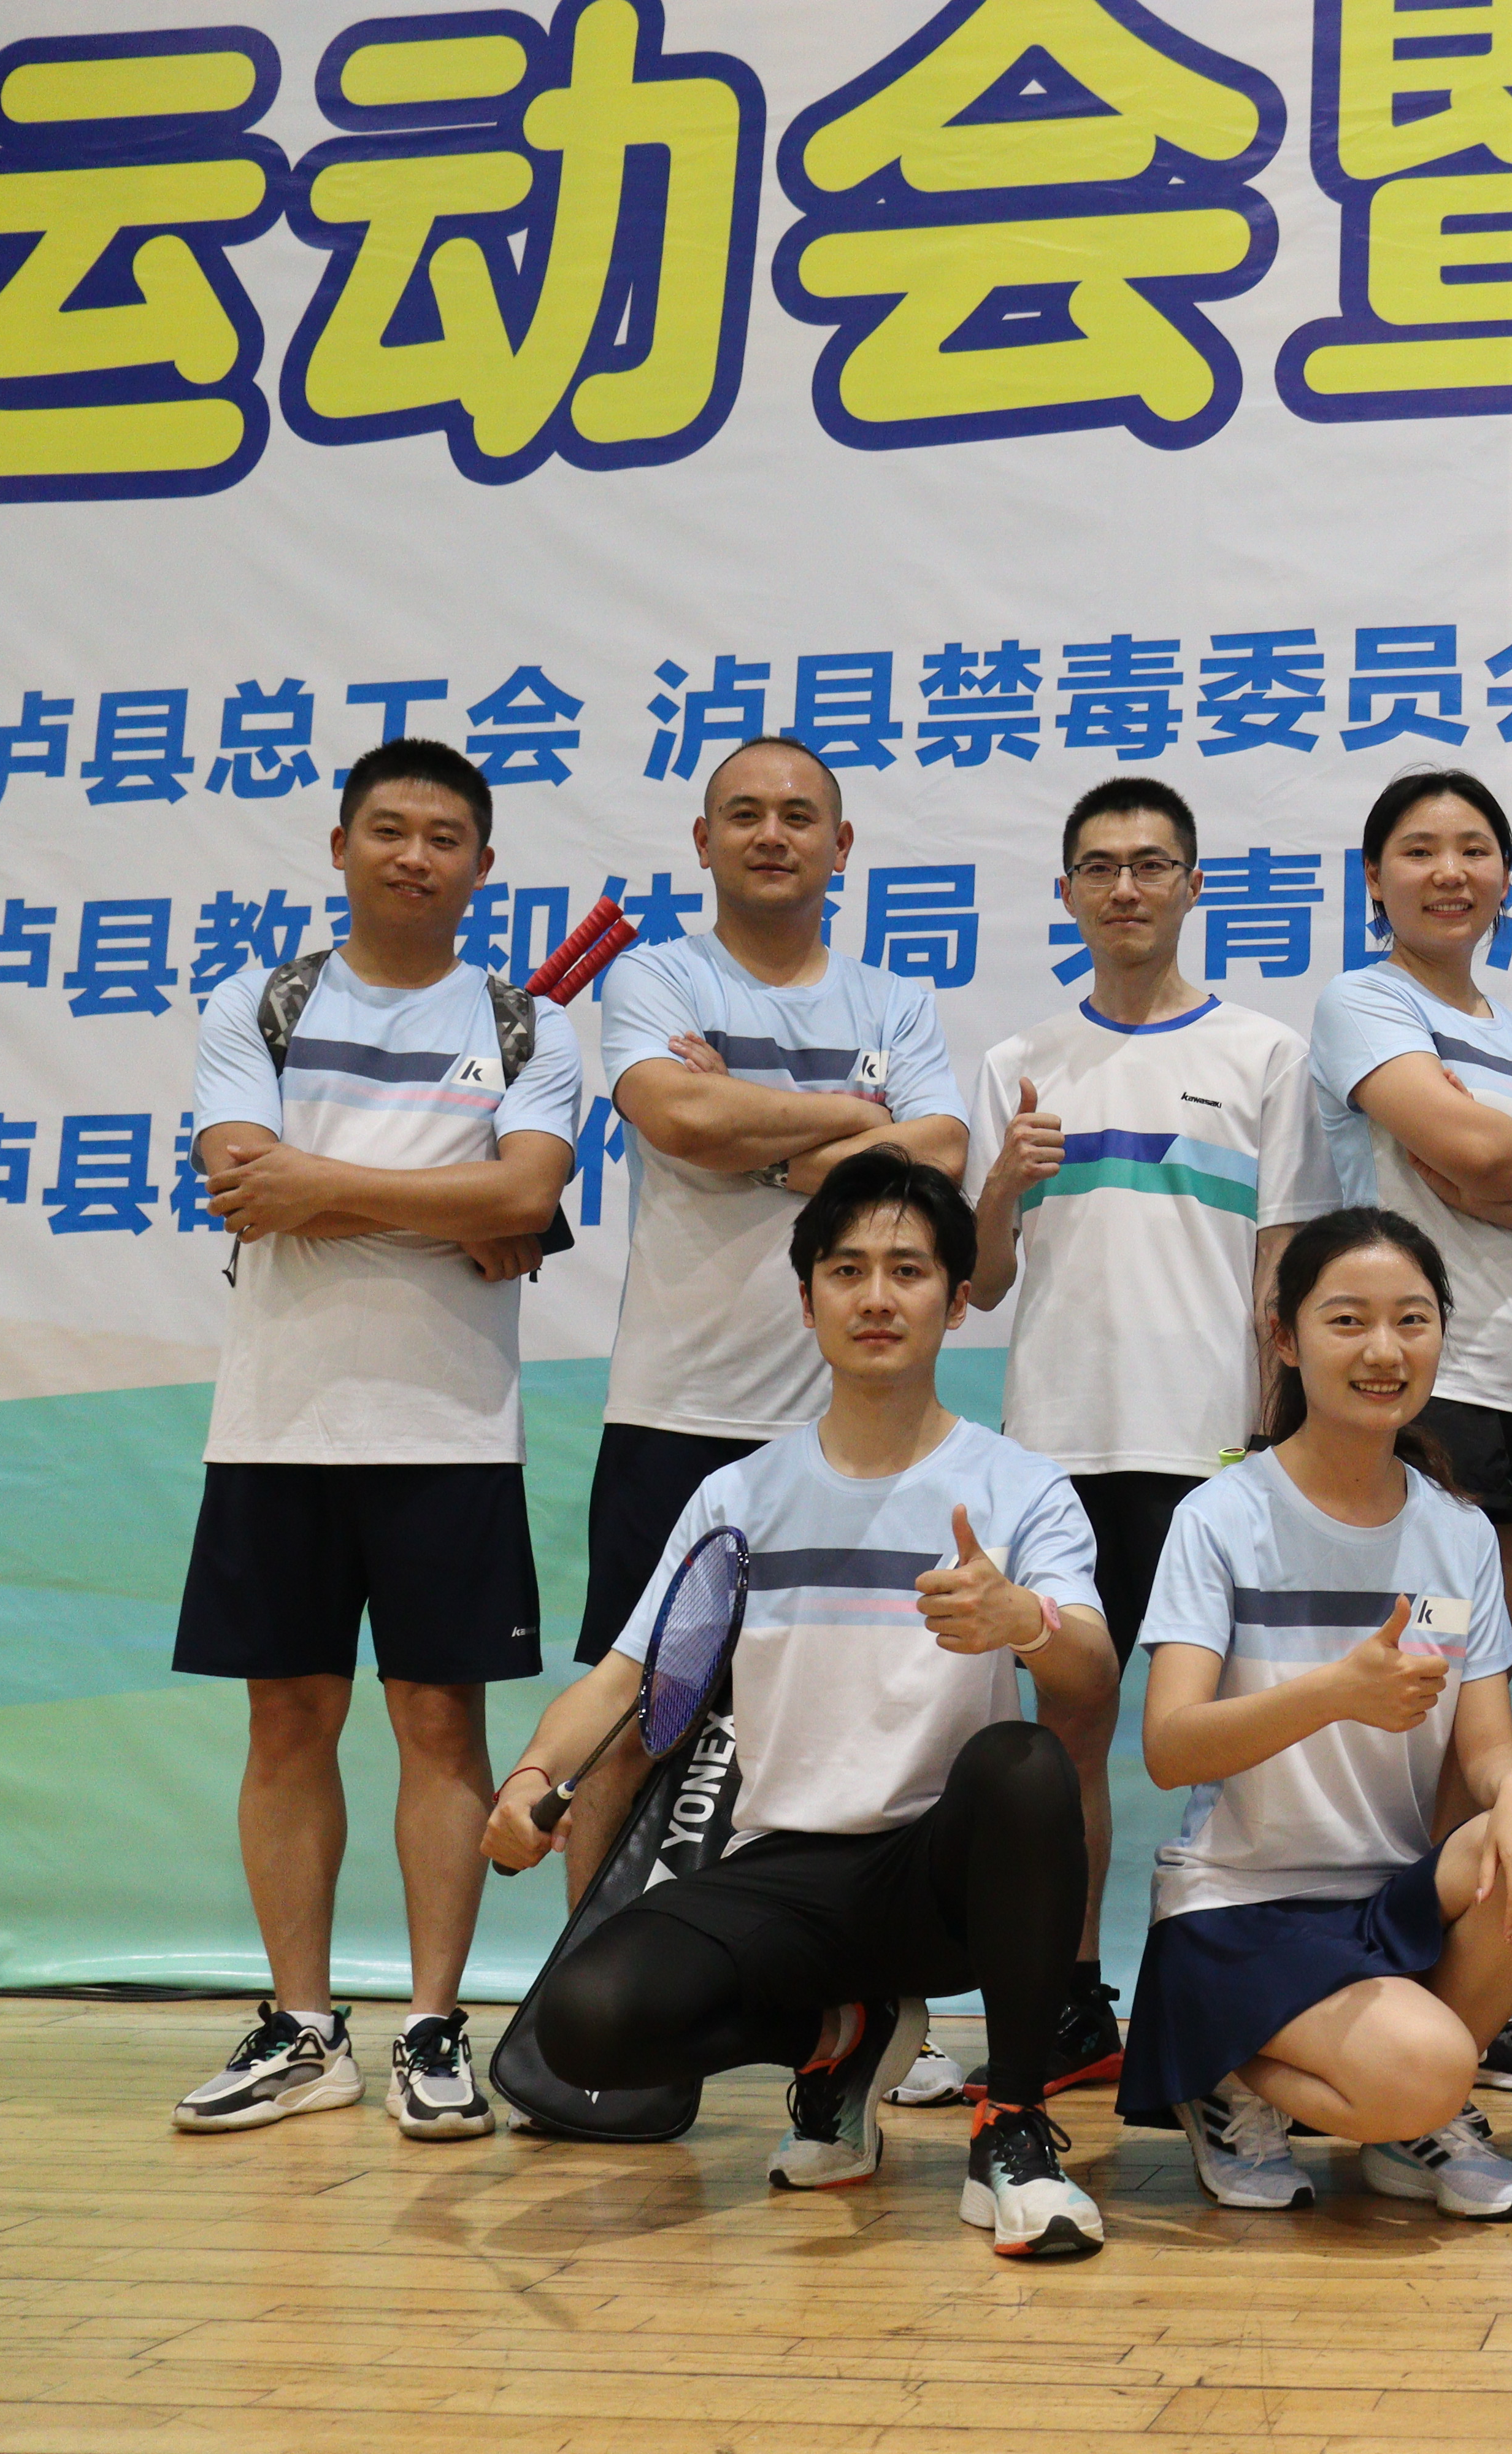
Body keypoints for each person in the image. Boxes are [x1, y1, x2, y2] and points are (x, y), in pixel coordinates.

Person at [492, 1149, 1121, 2259]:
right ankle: (840, 2035)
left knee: (1026, 1765)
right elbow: (626, 1680)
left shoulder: (1021, 1488)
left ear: (956, 1302)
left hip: (942, 1875)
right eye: (847, 1270)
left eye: (908, 1271)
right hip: (783, 1872)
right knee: (586, 2025)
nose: (877, 1297)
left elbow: (1095, 1679)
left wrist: (1023, 1620)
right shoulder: (737, 1498)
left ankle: (1014, 2128)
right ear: (807, 1299)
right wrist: (533, 1778)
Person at [168, 738, 580, 2143]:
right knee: (286, 1720)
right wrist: (453, 1199)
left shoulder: (529, 1023)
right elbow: (243, 1183)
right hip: (275, 1425)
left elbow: (525, 1193)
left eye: (444, 836)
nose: (416, 855)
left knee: (439, 1726)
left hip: (451, 1432)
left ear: (483, 864)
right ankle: (302, 2027)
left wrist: (325, 1187)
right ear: (339, 845)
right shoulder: (259, 1002)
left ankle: (434, 2024)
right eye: (389, 829)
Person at [951, 774, 1334, 2105]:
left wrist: (1272, 1443)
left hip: (1213, 1456)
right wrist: (1000, 1187)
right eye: (1101, 867)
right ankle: (1067, 2002)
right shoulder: (1018, 1061)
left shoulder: (1266, 1055)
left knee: (1244, 1734)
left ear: (1193, 885)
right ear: (1065, 892)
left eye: (1152, 864)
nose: (1127, 887)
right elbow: (983, 1282)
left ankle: (1262, 2010)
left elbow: (1285, 1270)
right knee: (1063, 1738)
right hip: (1054, 1454)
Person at [1115, 1209, 1512, 2220]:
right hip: (1241, 1905)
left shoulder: (1458, 1533)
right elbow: (1169, 1748)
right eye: (1348, 1321)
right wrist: (1333, 1692)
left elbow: (1489, 1747)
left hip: (1386, 1898)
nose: (1384, 1350)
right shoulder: (1220, 1518)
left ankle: (1409, 2117)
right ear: (1285, 1338)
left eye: (1412, 1320)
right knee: (1427, 2066)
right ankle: (1226, 2070)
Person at [569, 736, 965, 1902]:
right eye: (744, 814)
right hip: (676, 1411)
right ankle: (592, 1990)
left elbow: (943, 1149)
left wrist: (766, 1138)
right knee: (634, 1721)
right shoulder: (656, 978)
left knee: (853, 1725)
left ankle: (846, 1993)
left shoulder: (895, 998)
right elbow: (675, 1116)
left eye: (799, 816)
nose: (772, 835)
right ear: (704, 842)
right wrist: (857, 1117)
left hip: (848, 1432)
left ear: (842, 846)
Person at [1310, 768, 1512, 2094]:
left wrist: (1499, 1171)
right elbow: (1505, 1159)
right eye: (1420, 849)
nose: (1451, 871)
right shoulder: (1365, 1002)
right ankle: (1353, 1989)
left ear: (1508, 876)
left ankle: (1459, 1997)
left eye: (1475, 850)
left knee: (1472, 1712)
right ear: (1375, 878)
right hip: (1413, 1398)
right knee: (1396, 1712)